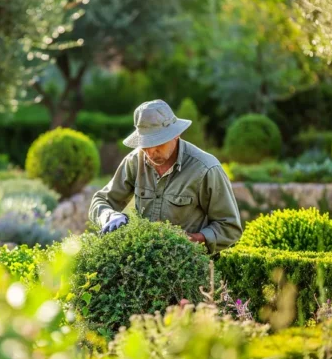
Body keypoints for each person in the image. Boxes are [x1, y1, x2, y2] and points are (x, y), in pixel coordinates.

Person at [88, 99, 242, 254]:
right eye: (146, 145)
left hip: (191, 268)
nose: (151, 152)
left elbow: (229, 227)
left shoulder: (206, 169)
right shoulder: (135, 161)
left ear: (177, 134)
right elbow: (100, 200)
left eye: (159, 143)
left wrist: (191, 240)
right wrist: (108, 216)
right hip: (144, 266)